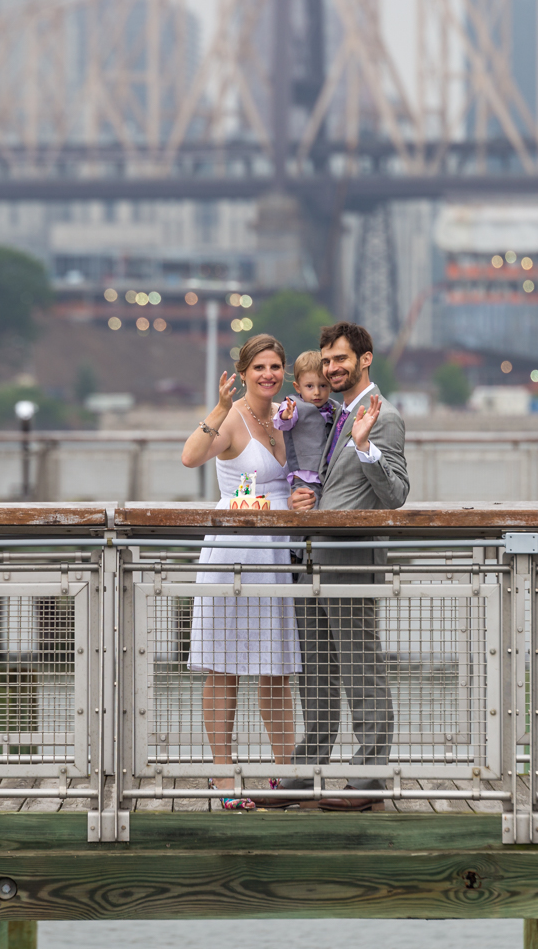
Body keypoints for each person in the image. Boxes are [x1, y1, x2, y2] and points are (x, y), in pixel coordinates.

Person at [254, 322, 409, 812]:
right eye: (326, 361)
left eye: (340, 359)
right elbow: (330, 485)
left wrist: (365, 448)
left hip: (351, 563)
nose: (331, 368)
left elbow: (396, 495)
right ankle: (308, 773)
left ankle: (369, 779)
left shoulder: (383, 418)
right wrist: (307, 498)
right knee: (316, 674)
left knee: (361, 670)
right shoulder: (333, 414)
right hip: (311, 557)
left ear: (365, 359)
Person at [179, 333, 301, 810]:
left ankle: (283, 776)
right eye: (259, 368)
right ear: (244, 372)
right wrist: (217, 409)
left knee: (276, 670)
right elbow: (190, 456)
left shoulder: (287, 418)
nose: (268, 375)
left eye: (275, 367)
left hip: (278, 553)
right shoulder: (232, 419)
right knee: (223, 666)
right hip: (235, 549)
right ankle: (223, 774)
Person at [272, 349, 335, 493]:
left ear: (331, 386)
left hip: (330, 477)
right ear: (297, 387)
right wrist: (286, 415)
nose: (317, 392)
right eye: (309, 386)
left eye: (323, 386)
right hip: (305, 477)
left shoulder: (334, 408)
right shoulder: (294, 406)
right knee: (308, 510)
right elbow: (282, 423)